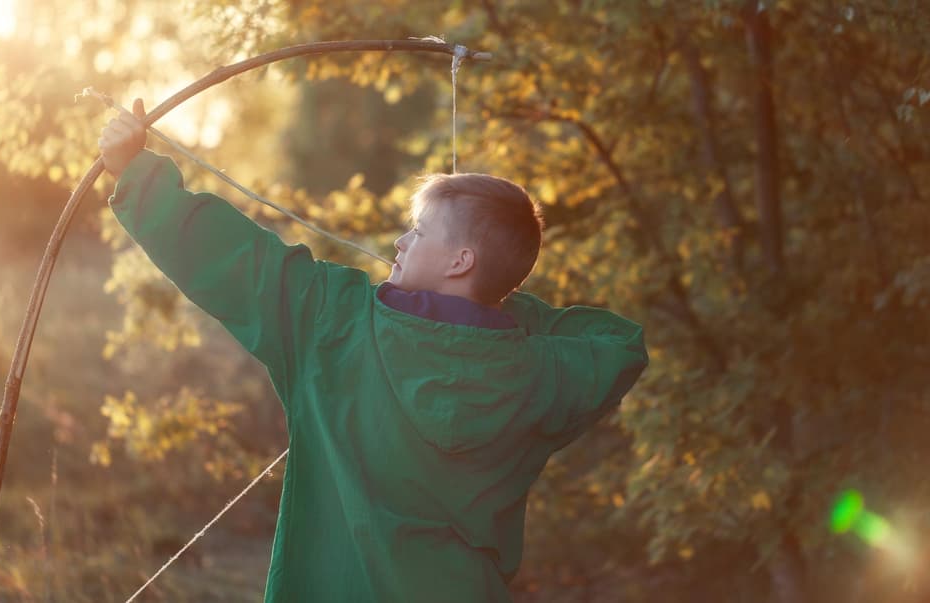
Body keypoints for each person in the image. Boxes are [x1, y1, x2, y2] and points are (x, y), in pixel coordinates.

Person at [99, 98, 648, 602]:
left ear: (460, 261)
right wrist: (494, 308)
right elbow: (617, 344)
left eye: (419, 231)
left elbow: (237, 258)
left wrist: (138, 174)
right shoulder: (535, 369)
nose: (399, 242)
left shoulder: (335, 321)